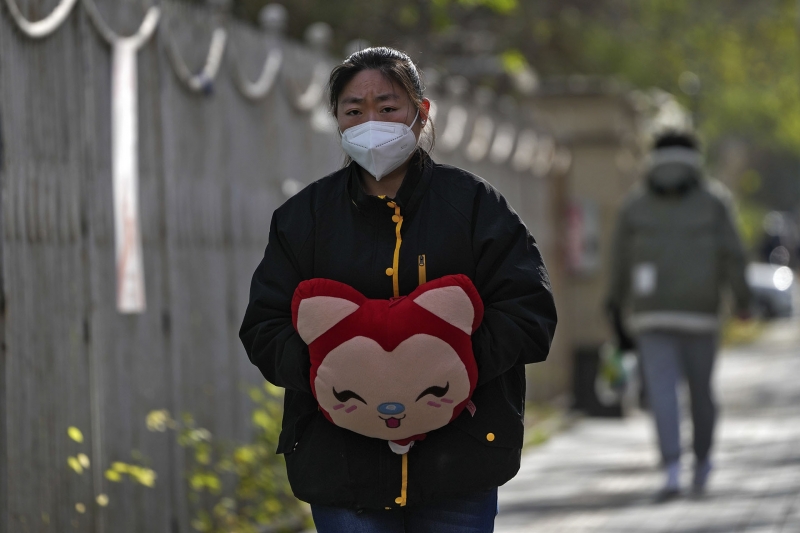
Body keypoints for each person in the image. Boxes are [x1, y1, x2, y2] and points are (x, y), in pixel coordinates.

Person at [239, 47, 557, 532]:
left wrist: (449, 370)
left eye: (387, 107)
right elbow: (264, 325)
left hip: (459, 464)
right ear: (337, 120)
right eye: (354, 110)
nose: (371, 122)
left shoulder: (474, 206)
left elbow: (529, 312)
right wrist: (338, 377)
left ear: (421, 113)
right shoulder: (304, 219)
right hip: (342, 470)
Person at [606, 130, 751, 502]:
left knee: (662, 392)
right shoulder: (714, 200)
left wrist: (615, 305)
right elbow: (733, 254)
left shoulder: (635, 204)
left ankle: (672, 469)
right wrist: (743, 300)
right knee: (702, 392)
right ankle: (702, 462)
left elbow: (619, 262)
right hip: (702, 313)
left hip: (651, 313)